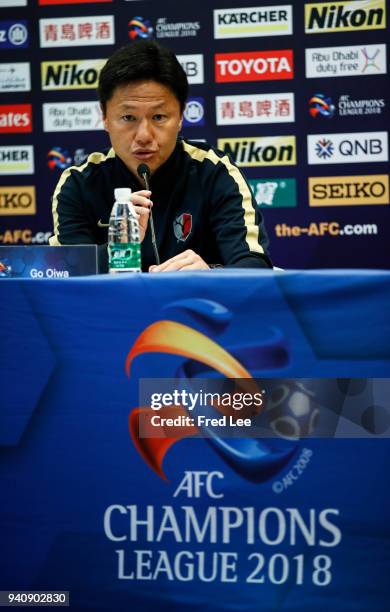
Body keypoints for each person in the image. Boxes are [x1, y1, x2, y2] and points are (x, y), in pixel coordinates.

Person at [49, 40, 272, 272]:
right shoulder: (78, 184)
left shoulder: (214, 172)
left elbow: (255, 267)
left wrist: (212, 275)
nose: (144, 136)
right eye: (128, 118)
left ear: (181, 117)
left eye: (158, 117)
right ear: (105, 118)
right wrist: (117, 250)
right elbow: (67, 276)